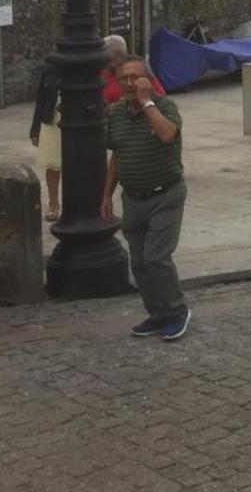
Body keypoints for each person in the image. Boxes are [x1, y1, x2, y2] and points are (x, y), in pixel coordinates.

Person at [101, 56, 190, 341]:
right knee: (138, 261)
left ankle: (177, 311)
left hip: (165, 194)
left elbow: (166, 134)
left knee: (156, 257)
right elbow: (117, 155)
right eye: (123, 78)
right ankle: (157, 312)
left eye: (135, 77)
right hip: (133, 197)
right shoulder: (115, 115)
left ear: (148, 80)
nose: (128, 83)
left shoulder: (165, 108)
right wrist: (106, 195)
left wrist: (146, 102)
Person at [29, 48, 63, 222]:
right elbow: (41, 98)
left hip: (75, 118)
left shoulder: (83, 65)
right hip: (51, 118)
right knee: (52, 163)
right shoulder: (49, 68)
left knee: (76, 166)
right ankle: (53, 203)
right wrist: (35, 129)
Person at [101, 34, 165, 105]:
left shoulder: (141, 72)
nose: (104, 60)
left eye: (106, 57)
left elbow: (162, 101)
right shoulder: (101, 74)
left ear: (118, 54)